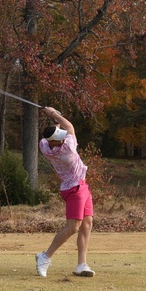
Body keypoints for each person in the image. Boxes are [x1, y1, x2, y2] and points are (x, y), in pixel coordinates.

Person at [35, 106, 95, 278]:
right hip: (74, 189)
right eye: (58, 138)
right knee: (73, 227)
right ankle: (44, 257)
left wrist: (56, 125)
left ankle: (81, 265)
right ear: (54, 142)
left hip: (81, 186)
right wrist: (53, 113)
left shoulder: (44, 146)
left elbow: (59, 132)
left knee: (87, 224)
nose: (62, 138)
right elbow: (70, 128)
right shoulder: (67, 149)